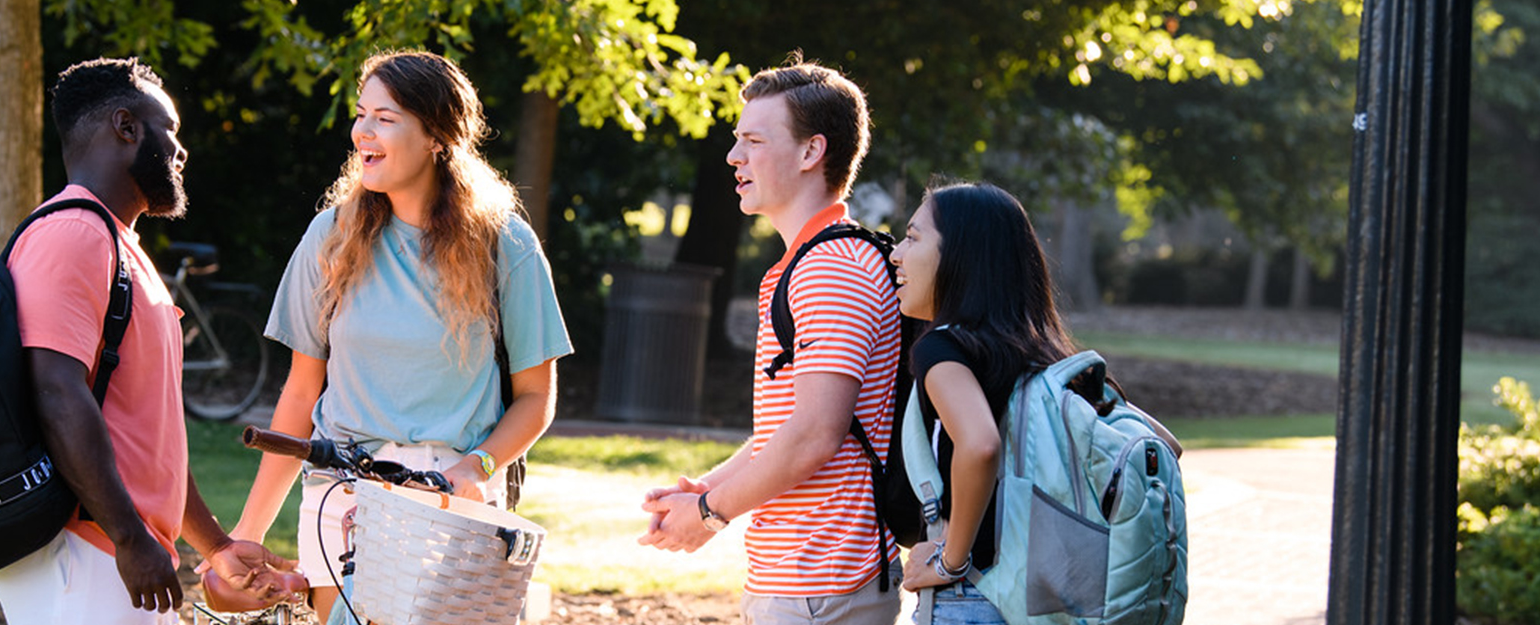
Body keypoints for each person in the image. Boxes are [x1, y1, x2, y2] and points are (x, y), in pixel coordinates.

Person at [202, 50, 572, 622]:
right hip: (341, 498)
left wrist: (478, 466)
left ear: (436, 137)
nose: (362, 132)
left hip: (453, 505)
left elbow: (535, 397)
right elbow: (301, 393)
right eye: (360, 113)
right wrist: (246, 533)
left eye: (385, 117)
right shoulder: (331, 237)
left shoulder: (505, 245)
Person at [0, 57, 293, 624]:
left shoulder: (117, 242)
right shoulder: (73, 233)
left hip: (110, 547)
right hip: (83, 550)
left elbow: (150, 437)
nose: (181, 152)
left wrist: (216, 546)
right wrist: (130, 537)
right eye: (170, 132)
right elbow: (55, 392)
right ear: (127, 128)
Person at [637, 59, 906, 625]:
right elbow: (787, 429)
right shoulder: (812, 260)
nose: (735, 158)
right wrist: (708, 488)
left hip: (822, 584)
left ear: (811, 152)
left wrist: (709, 513)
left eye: (754, 141)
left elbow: (814, 436)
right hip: (802, 583)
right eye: (738, 141)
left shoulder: (833, 267)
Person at [888, 181, 1182, 623]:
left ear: (962, 257)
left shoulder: (942, 349)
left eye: (912, 237)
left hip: (975, 596)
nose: (895, 253)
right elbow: (1161, 446)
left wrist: (951, 560)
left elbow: (980, 445)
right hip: (1044, 603)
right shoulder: (1043, 355)